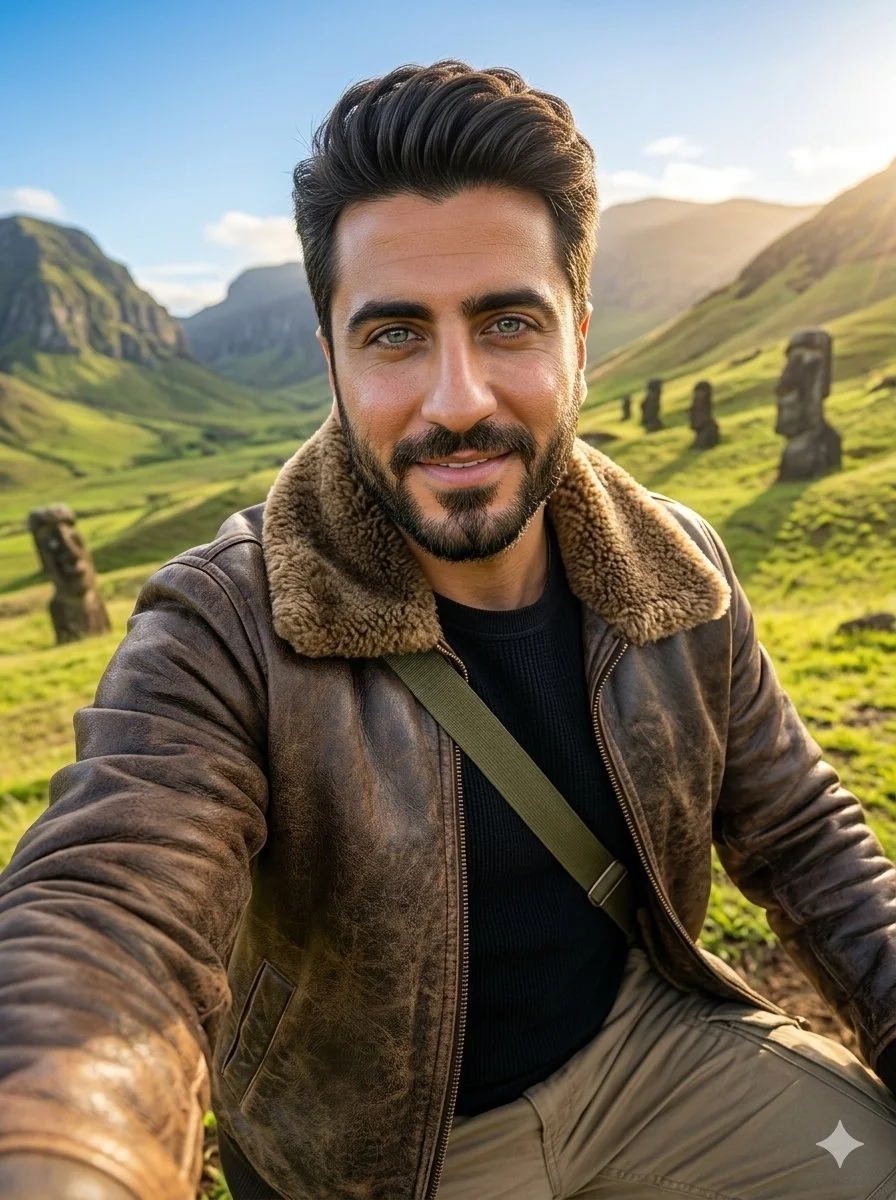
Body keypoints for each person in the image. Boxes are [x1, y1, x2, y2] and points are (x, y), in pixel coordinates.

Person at [1, 60, 896, 1200]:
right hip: (381, 1161)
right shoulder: (222, 622)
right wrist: (62, 1156)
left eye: (506, 321)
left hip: (645, 1061)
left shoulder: (677, 566)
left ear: (578, 340)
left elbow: (808, 839)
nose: (458, 398)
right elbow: (106, 906)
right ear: (327, 357)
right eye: (393, 336)